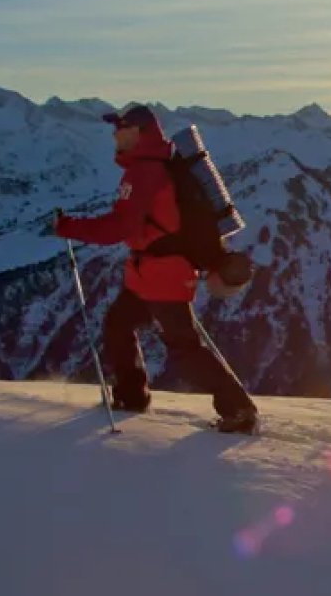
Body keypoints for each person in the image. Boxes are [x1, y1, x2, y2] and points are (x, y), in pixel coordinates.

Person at [54, 105, 258, 434]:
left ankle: (240, 410)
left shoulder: (145, 172)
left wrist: (69, 227)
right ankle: (132, 395)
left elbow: (118, 227)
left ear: (139, 131)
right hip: (149, 275)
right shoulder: (152, 166)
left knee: (184, 348)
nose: (114, 134)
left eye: (120, 127)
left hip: (163, 277)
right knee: (118, 324)